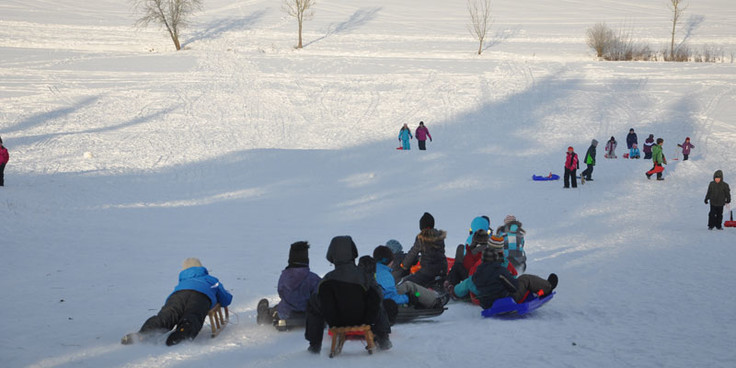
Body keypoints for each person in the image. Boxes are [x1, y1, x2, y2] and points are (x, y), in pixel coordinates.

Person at [305, 236, 391, 353]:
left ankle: (314, 345)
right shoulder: (364, 276)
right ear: (353, 253)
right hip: (364, 319)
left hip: (336, 321)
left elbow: (319, 303)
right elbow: (378, 296)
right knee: (375, 294)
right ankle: (383, 338)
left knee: (313, 302)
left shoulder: (327, 279)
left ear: (331, 255)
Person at [122, 258, 233, 346]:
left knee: (166, 316)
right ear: (201, 267)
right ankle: (181, 334)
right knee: (192, 316)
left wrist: (168, 306)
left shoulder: (183, 280)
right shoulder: (211, 279)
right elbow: (225, 299)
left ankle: (142, 334)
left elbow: (173, 296)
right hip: (201, 297)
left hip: (178, 295)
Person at [448, 243, 557, 310]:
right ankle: (547, 286)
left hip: (485, 303)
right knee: (525, 279)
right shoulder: (500, 270)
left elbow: (467, 284)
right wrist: (511, 279)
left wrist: (454, 292)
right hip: (504, 299)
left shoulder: (476, 274)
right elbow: (513, 286)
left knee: (469, 283)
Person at [257, 241, 321, 326]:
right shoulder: (313, 278)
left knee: (277, 309)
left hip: (287, 313)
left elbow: (281, 292)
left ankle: (265, 315)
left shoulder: (285, 276)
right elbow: (319, 293)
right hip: (308, 313)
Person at [373, 246, 447, 309]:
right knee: (411, 287)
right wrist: (408, 298)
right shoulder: (384, 275)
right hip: (384, 304)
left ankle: (422, 299)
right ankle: (434, 302)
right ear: (388, 261)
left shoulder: (375, 268)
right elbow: (390, 298)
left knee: (406, 286)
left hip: (378, 299)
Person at [396, 212, 448, 288]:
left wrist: (404, 265)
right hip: (443, 268)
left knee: (406, 283)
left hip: (428, 272)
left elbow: (413, 253)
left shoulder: (421, 238)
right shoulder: (439, 236)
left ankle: (417, 296)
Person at [446, 216, 492, 286]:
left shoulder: (471, 238)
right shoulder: (491, 240)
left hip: (472, 274)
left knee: (457, 266)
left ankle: (451, 284)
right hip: (487, 274)